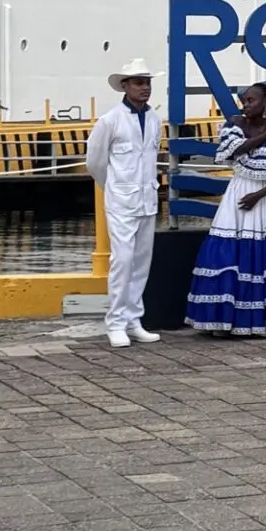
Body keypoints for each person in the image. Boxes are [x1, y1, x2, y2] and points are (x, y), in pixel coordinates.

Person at [186, 81, 266, 336]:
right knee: (230, 252)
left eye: (251, 100)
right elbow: (233, 152)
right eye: (245, 101)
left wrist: (259, 195)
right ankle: (225, 319)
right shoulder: (236, 125)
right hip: (240, 191)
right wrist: (265, 135)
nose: (246, 105)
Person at [86, 59, 162, 348]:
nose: (145, 88)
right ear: (125, 86)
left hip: (147, 199)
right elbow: (95, 161)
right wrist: (114, 187)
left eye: (147, 83)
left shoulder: (154, 119)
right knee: (123, 260)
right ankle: (115, 322)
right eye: (139, 83)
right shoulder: (110, 120)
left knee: (141, 262)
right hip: (121, 200)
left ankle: (133, 319)